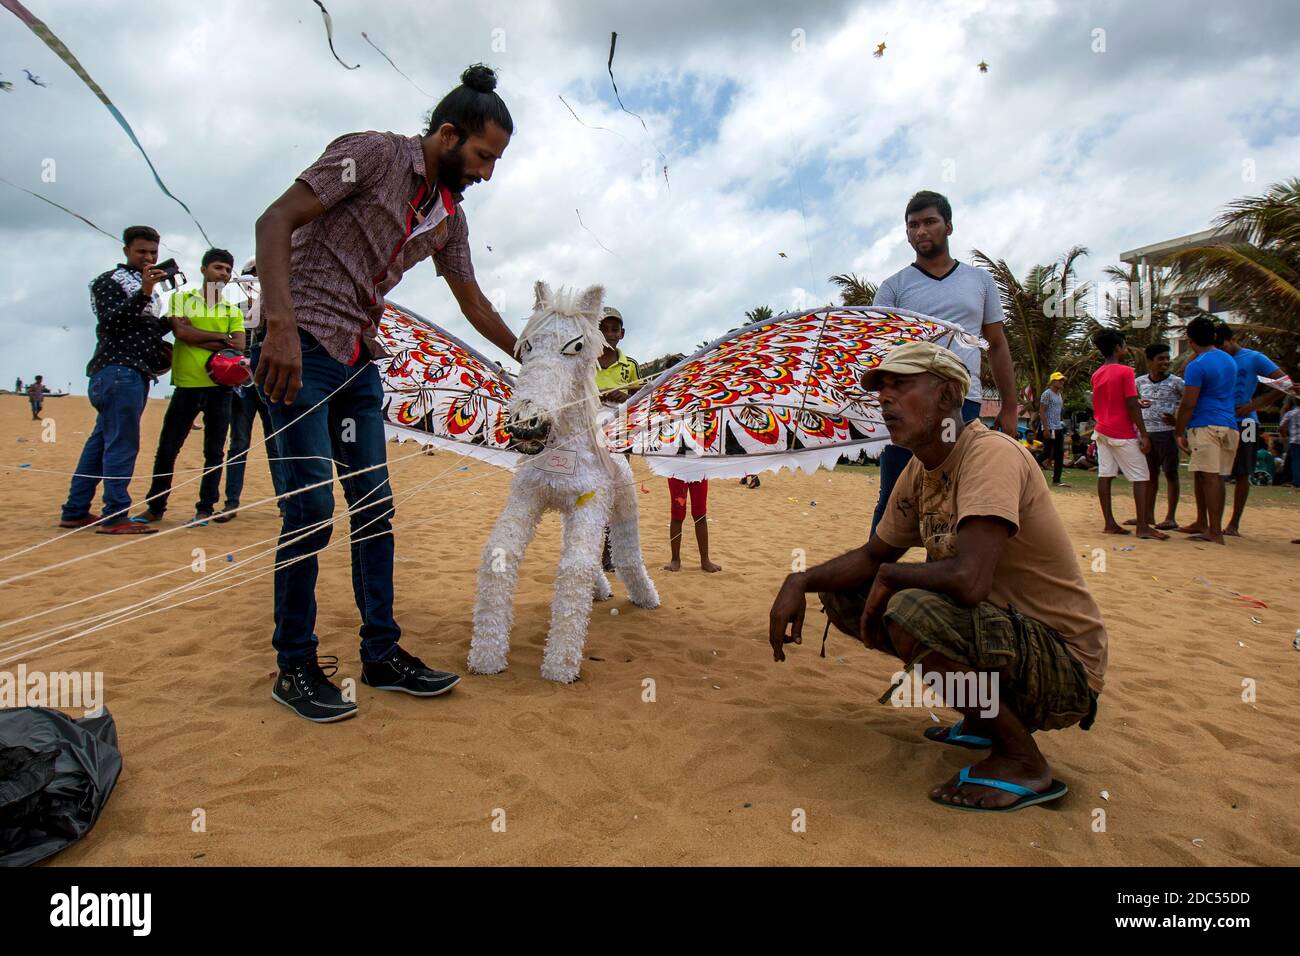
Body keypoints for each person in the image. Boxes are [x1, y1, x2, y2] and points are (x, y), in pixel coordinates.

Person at [253, 64, 518, 722]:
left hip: (355, 364)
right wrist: (279, 327)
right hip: (300, 350)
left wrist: (534, 360)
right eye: (484, 156)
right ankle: (295, 665)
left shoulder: (447, 220)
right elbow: (275, 220)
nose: (488, 172)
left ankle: (381, 653)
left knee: (374, 509)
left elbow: (475, 304)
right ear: (448, 135)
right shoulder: (372, 155)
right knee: (312, 508)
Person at [767, 342, 1106, 811]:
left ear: (947, 397)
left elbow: (969, 580)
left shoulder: (990, 455)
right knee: (846, 592)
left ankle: (1022, 760)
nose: (884, 399)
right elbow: (873, 554)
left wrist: (892, 576)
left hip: (1064, 670)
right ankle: (983, 717)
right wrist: (800, 580)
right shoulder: (919, 469)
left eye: (900, 386)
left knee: (909, 606)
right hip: (1009, 639)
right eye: (881, 389)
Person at [868, 190, 1019, 533]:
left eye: (929, 222)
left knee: (957, 494)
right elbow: (879, 352)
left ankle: (946, 578)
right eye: (913, 225)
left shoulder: (979, 281)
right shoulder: (893, 288)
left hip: (963, 401)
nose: (921, 231)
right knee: (894, 495)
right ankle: (869, 582)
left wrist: (1010, 406)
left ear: (948, 226)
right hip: (910, 404)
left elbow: (996, 344)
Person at [58, 225, 172, 535]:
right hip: (118, 371)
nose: (148, 257)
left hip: (133, 371)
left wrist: (169, 323)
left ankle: (75, 510)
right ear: (126, 251)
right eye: (141, 252)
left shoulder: (149, 286)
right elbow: (111, 321)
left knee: (99, 445)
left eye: (153, 252)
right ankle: (116, 515)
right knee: (122, 444)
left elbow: (139, 329)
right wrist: (145, 291)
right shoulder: (108, 281)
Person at [138, 249, 245, 526]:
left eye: (227, 270)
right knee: (168, 448)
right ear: (203, 269)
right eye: (218, 267)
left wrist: (201, 337)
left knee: (215, 451)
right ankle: (156, 506)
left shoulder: (232, 310)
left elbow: (239, 347)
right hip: (187, 384)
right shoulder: (182, 298)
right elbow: (181, 333)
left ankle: (205, 508)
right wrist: (221, 338)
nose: (223, 274)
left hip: (220, 387)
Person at [215, 258, 289, 522]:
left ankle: (285, 501)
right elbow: (228, 347)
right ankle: (231, 503)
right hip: (242, 388)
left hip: (270, 383)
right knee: (239, 444)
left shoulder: (283, 312)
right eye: (253, 275)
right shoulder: (236, 311)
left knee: (277, 444)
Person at [1089, 329, 1165, 539]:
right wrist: (1144, 433)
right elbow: (1131, 403)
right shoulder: (1125, 372)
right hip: (1122, 431)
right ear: (1117, 347)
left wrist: (1135, 403)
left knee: (1105, 475)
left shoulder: (1097, 374)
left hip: (1102, 430)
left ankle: (1110, 523)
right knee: (1141, 477)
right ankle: (1143, 525)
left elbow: (1111, 400)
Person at [1216, 323, 1287, 536]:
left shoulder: (1254, 357)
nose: (1219, 349)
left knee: (1243, 472)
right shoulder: (1216, 357)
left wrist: (1254, 405)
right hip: (1221, 419)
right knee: (1214, 472)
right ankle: (1212, 522)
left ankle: (1233, 524)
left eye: (1222, 345)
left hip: (1247, 422)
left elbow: (1285, 383)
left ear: (1231, 339)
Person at [1174, 316, 1239, 545]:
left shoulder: (1197, 365)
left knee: (1209, 477)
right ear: (1214, 337)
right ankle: (1209, 525)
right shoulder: (1230, 360)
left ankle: (1214, 531)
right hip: (1229, 423)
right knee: (1215, 477)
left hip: (1205, 424)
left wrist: (1178, 431)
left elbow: (1189, 403)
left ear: (1190, 342)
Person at [1129, 342, 1184, 530]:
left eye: (1167, 358)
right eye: (1161, 359)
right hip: (1147, 435)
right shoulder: (1139, 382)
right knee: (1149, 475)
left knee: (1171, 474)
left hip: (1167, 434)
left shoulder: (1177, 383)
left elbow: (1189, 403)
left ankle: (1170, 517)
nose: (1165, 362)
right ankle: (1147, 515)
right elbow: (1130, 402)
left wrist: (1178, 421)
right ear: (1150, 361)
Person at [663, 476, 721, 573]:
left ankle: (705, 560)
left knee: (700, 515)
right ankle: (675, 559)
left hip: (699, 471)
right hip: (677, 472)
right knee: (677, 515)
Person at [595, 306, 639, 403]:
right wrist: (595, 397)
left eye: (614, 330)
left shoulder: (631, 364)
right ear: (594, 333)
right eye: (603, 330)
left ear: (622, 333)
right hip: (590, 417)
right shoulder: (584, 364)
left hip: (622, 416)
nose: (609, 334)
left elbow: (641, 399)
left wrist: (626, 398)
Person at [1038, 372, 1067, 485]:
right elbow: (1042, 411)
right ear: (1053, 381)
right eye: (1059, 380)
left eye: (1063, 380)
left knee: (1059, 453)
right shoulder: (1047, 394)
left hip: (1058, 427)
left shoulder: (1059, 395)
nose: (1062, 382)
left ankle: (1056, 480)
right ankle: (1030, 467)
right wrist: (1045, 428)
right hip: (1049, 427)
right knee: (1047, 452)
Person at [1281, 401, 1300, 487]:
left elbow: (1282, 426)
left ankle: (1297, 482)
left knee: (1296, 461)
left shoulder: (1290, 413)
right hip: (1294, 440)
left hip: (1295, 440)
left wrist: (1285, 436)